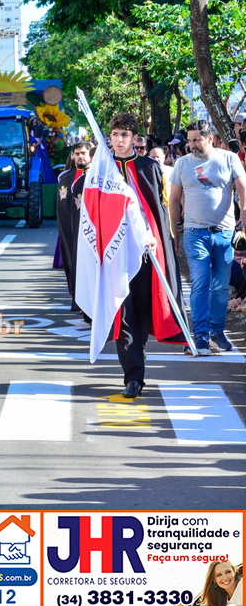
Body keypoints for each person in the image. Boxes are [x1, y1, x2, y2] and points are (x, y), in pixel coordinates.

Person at [108, 112, 188, 397]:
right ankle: (132, 377)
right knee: (123, 313)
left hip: (144, 253)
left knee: (143, 312)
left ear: (134, 138)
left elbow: (160, 210)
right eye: (116, 135)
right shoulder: (102, 170)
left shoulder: (148, 167)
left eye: (125, 135)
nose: (120, 140)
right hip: (114, 255)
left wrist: (167, 242)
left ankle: (136, 360)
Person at [169, 119, 246, 356]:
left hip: (224, 234)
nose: (192, 145)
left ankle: (217, 331)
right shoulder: (182, 163)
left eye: (197, 140)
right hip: (194, 233)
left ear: (209, 138)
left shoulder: (229, 159)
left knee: (221, 287)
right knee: (201, 282)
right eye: (190, 140)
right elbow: (173, 201)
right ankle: (200, 334)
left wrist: (244, 222)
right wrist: (174, 234)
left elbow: (243, 192)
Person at [56, 142, 93, 312]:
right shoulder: (64, 178)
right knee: (72, 262)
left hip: (89, 230)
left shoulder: (96, 176)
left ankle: (90, 303)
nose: (80, 156)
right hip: (68, 230)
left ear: (90, 155)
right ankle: (78, 300)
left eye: (83, 153)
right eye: (77, 153)